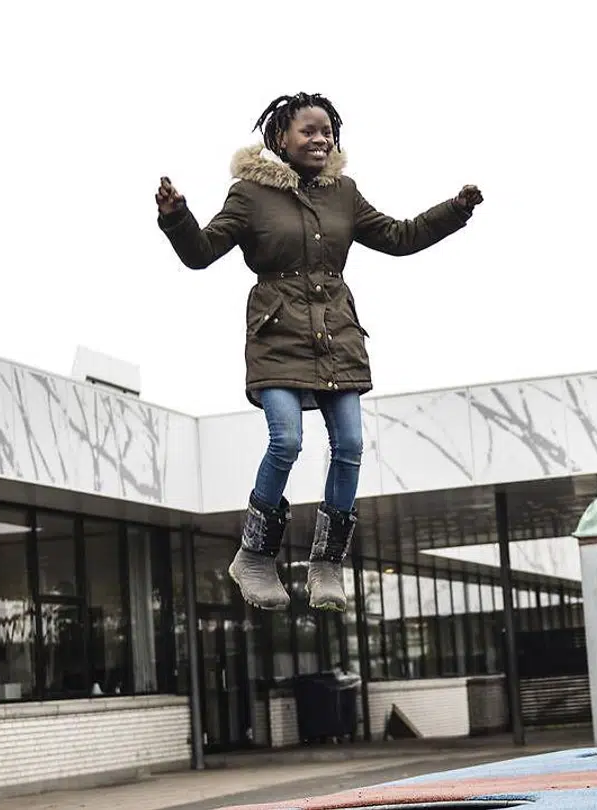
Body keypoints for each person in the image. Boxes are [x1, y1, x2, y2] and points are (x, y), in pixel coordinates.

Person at [155, 92, 483, 613]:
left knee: (350, 442)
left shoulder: (343, 193)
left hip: (336, 335)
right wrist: (176, 217)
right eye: (308, 130)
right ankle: (255, 556)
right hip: (277, 333)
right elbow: (200, 254)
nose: (321, 139)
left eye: (327, 130)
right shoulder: (250, 194)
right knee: (286, 438)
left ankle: (327, 563)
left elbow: (399, 237)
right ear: (280, 138)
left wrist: (455, 209)